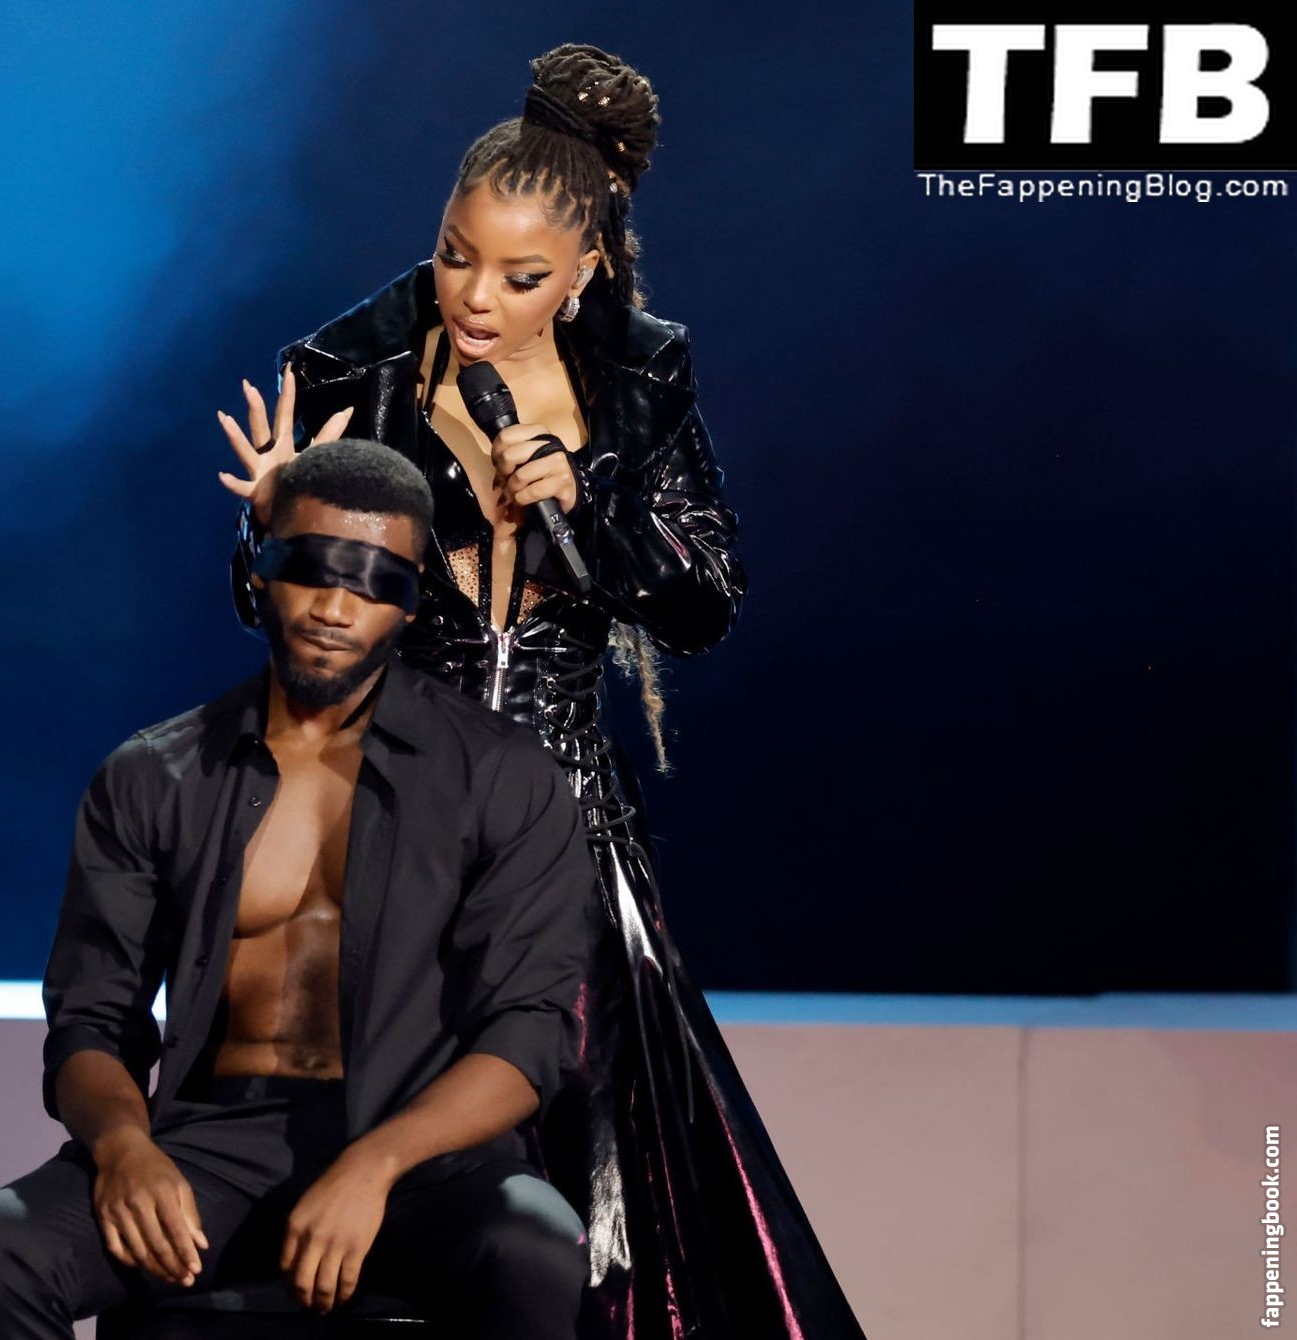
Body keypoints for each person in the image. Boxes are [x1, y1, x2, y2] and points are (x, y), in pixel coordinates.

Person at [216, 43, 866, 1340]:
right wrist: (280, 527)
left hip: (568, 849)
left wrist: (591, 520)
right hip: (384, 842)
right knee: (384, 1208)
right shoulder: (361, 383)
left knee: (603, 1212)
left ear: (585, 273)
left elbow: (705, 604)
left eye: (518, 277)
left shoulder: (637, 393)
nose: (473, 295)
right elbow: (281, 620)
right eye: (455, 256)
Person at [0, 439, 598, 1339]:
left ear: (411, 601)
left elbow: (527, 1036)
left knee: (536, 1247)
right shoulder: (154, 774)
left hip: (426, 1161)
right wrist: (124, 1149)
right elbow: (93, 1021)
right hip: (211, 1149)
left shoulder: (501, 775)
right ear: (261, 570)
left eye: (374, 583)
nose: (334, 607)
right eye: (311, 569)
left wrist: (376, 1163)